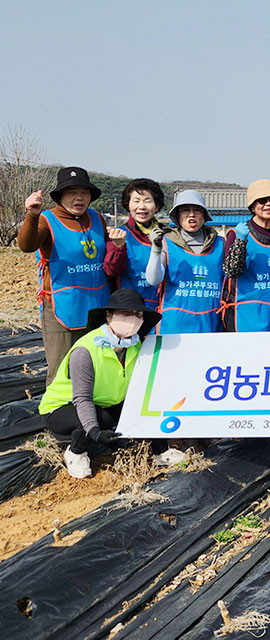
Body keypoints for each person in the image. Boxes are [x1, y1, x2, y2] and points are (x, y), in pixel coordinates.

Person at [39, 289, 161, 478]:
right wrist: (95, 433)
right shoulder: (86, 350)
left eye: (138, 315)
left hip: (104, 401)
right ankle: (76, 452)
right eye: (125, 314)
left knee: (141, 408)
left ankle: (161, 452)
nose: (132, 320)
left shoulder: (136, 347)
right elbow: (82, 398)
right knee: (103, 420)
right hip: (62, 406)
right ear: (109, 316)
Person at [19, 167, 121, 385]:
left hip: (97, 306)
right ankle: (58, 416)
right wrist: (31, 215)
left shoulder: (97, 218)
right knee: (62, 372)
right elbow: (27, 245)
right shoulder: (47, 220)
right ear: (60, 196)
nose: (79, 197)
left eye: (84, 192)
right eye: (72, 192)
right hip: (62, 308)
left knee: (97, 367)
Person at [222, 180, 270, 332]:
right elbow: (231, 271)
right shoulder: (237, 233)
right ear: (252, 205)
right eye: (262, 201)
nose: (269, 204)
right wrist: (240, 243)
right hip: (245, 317)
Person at [145, 190, 224, 334]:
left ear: (204, 215)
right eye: (185, 210)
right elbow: (153, 279)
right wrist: (156, 250)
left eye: (197, 210)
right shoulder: (166, 243)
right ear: (177, 216)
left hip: (211, 323)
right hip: (174, 326)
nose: (191, 215)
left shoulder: (220, 244)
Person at [108, 178, 167, 313]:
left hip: (162, 310)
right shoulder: (119, 234)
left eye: (147, 201)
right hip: (129, 309)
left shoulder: (168, 236)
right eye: (136, 201)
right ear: (127, 205)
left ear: (157, 206)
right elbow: (111, 271)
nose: (141, 206)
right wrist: (118, 248)